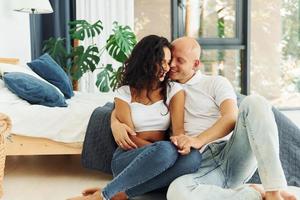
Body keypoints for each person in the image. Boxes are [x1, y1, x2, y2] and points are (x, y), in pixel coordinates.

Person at [110, 36, 296, 200]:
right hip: (199, 164)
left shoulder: (215, 83)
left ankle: (273, 192)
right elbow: (129, 101)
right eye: (169, 59)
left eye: (179, 60)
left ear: (196, 64)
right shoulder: (163, 87)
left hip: (231, 153)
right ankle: (253, 194)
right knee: (176, 192)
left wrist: (198, 140)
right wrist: (115, 122)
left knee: (255, 102)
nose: (171, 65)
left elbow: (231, 117)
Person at [68, 35, 202, 200]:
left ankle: (122, 193)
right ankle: (103, 196)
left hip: (161, 156)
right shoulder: (124, 93)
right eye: (163, 62)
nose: (167, 68)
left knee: (194, 158)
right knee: (165, 151)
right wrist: (161, 152)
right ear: (147, 61)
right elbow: (130, 138)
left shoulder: (174, 90)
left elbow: (178, 131)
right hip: (128, 157)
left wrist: (179, 147)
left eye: (169, 62)